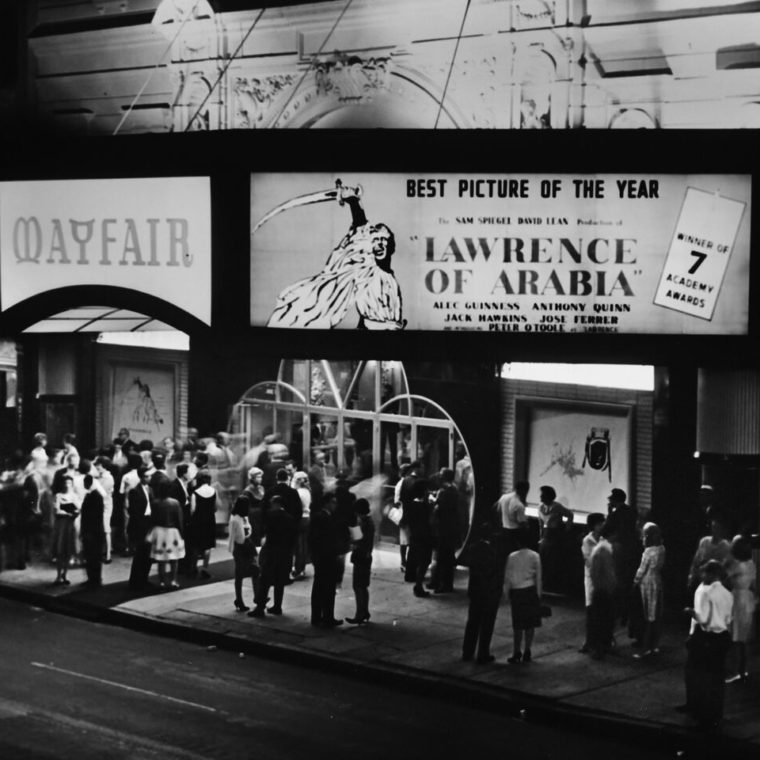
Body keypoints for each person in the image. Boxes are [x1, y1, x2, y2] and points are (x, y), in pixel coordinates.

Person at [266, 180, 406, 330]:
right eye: (375, 239)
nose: (379, 244)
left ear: (390, 245)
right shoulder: (366, 269)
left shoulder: (390, 279)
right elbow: (361, 229)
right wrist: (353, 202)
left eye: (383, 240)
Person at [679, 559, 734, 731]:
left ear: (711, 574)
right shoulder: (728, 594)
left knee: (703, 677)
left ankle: (703, 716)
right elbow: (728, 619)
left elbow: (703, 619)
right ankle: (716, 713)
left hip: (707, 637)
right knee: (717, 677)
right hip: (723, 636)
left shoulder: (708, 593)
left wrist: (690, 612)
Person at [462, 523, 503, 664]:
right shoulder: (493, 551)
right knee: (486, 625)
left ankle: (467, 652)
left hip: (475, 590)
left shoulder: (473, 548)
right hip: (488, 593)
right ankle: (482, 653)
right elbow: (494, 573)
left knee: (472, 622)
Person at [249, 495, 294, 617]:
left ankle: (260, 607)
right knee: (280, 580)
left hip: (272, 551)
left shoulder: (270, 516)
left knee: (265, 580)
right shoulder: (289, 518)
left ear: (276, 503)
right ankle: (277, 606)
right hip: (284, 552)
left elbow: (266, 532)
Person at [504, 526, 542, 664]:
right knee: (530, 624)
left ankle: (516, 652)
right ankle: (527, 650)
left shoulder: (512, 556)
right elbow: (538, 577)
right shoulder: (535, 556)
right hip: (530, 591)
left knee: (518, 625)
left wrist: (507, 594)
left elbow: (508, 577)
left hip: (517, 592)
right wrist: (538, 595)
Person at [724, 535, 757, 683]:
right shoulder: (751, 564)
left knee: (736, 638)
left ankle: (736, 671)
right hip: (748, 599)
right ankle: (743, 670)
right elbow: (754, 585)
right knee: (743, 638)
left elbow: (725, 577)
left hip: (737, 600)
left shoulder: (736, 565)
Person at [632, 522, 666, 658]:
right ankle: (655, 645)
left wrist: (635, 582)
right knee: (656, 615)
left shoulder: (648, 552)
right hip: (657, 580)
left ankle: (646, 648)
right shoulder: (662, 548)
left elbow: (642, 570)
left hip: (647, 583)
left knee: (648, 617)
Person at [604, 488, 638, 626]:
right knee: (627, 582)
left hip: (619, 550)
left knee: (618, 581)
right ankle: (627, 613)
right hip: (631, 551)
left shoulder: (614, 515)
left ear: (615, 500)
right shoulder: (632, 511)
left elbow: (606, 530)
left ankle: (619, 612)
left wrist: (609, 513)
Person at [308, 492, 342, 628]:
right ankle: (328, 616)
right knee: (328, 588)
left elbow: (311, 538)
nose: (335, 505)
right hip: (327, 558)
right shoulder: (326, 518)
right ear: (327, 503)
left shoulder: (318, 517)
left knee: (318, 587)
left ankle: (317, 616)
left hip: (320, 558)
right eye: (333, 502)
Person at [587, 524, 617, 659]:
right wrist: (610, 587)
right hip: (603, 591)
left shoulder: (600, 551)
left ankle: (601, 646)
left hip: (600, 590)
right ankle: (600, 647)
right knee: (602, 620)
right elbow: (603, 574)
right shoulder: (603, 552)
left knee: (601, 620)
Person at [148, 480, 185, 589]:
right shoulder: (175, 503)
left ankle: (162, 582)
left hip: (159, 531)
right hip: (172, 532)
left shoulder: (155, 502)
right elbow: (179, 520)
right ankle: (173, 580)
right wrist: (182, 534)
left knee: (161, 560)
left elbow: (152, 519)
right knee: (174, 559)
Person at [537, 485, 574, 593]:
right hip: (545, 536)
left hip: (555, 536)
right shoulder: (540, 507)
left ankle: (552, 585)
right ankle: (543, 584)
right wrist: (540, 537)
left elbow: (570, 515)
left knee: (552, 560)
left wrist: (567, 528)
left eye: (542, 495)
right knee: (543, 559)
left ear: (548, 496)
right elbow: (540, 523)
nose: (540, 497)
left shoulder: (557, 507)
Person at [429, 467, 460, 594]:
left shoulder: (445, 491)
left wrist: (433, 501)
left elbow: (438, 509)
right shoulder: (453, 489)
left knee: (443, 557)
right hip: (449, 527)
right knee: (444, 556)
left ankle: (444, 584)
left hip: (444, 528)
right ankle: (439, 582)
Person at [579, 513, 606, 654]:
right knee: (591, 611)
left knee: (601, 611)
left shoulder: (603, 539)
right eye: (600, 523)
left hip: (603, 580)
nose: (602, 526)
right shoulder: (587, 540)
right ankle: (590, 642)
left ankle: (600, 641)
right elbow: (589, 561)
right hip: (592, 579)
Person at [345, 497, 374, 625]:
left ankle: (360, 613)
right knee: (363, 585)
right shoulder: (369, 521)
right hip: (366, 555)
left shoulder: (362, 522)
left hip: (360, 555)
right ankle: (364, 611)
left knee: (358, 586)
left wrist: (351, 534)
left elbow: (358, 538)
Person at [405, 478, 435, 598]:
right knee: (424, 561)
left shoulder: (411, 504)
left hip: (415, 535)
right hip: (424, 536)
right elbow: (429, 521)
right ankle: (418, 585)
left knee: (416, 559)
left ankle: (416, 582)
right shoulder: (423, 506)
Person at [228, 495, 258, 612]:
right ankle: (239, 599)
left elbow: (248, 531)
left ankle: (257, 597)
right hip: (240, 546)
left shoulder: (244, 517)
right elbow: (237, 537)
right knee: (240, 574)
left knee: (255, 570)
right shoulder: (235, 519)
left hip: (247, 544)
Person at [687, 516, 731, 596]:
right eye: (713, 527)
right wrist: (691, 575)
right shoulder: (704, 542)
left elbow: (725, 568)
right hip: (702, 582)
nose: (714, 530)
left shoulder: (726, 547)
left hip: (716, 585)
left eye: (717, 528)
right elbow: (696, 561)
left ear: (722, 529)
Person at [127, 466, 155, 590]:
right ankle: (135, 580)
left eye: (150, 476)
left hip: (149, 522)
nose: (149, 478)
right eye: (147, 476)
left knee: (148, 554)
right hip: (140, 524)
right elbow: (134, 512)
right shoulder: (135, 491)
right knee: (140, 554)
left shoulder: (151, 489)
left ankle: (144, 578)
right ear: (141, 477)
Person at [52, 474, 80, 586]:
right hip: (61, 526)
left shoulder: (74, 496)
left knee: (68, 551)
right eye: (65, 483)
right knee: (60, 551)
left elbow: (78, 508)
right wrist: (67, 513)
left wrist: (75, 512)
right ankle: (58, 575)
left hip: (70, 525)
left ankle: (65, 574)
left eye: (69, 483)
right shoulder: (58, 496)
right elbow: (56, 510)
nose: (67, 485)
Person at [189, 469, 217, 579]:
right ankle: (205, 568)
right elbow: (215, 508)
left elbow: (192, 510)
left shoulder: (195, 493)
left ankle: (193, 568)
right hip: (210, 520)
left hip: (198, 521)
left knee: (196, 545)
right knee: (208, 546)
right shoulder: (214, 491)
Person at [79, 474, 105, 588]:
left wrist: (87, 532)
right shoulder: (95, 495)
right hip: (94, 531)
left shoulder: (94, 496)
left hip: (92, 532)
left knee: (92, 557)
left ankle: (94, 579)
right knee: (92, 557)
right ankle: (94, 578)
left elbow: (93, 516)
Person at [495, 481, 529, 558]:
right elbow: (522, 523)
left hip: (503, 531)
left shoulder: (504, 497)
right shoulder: (519, 505)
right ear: (525, 490)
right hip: (514, 534)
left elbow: (496, 509)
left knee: (504, 555)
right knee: (514, 556)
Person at [93, 456, 115, 564]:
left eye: (99, 466)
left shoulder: (108, 478)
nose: (97, 467)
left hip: (105, 505)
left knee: (106, 528)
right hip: (99, 505)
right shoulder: (99, 476)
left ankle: (108, 554)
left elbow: (102, 492)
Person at [292, 470, 312, 581]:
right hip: (307, 518)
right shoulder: (307, 491)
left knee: (299, 545)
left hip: (300, 519)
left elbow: (297, 507)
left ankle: (298, 569)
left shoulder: (298, 493)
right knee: (304, 544)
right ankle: (303, 567)